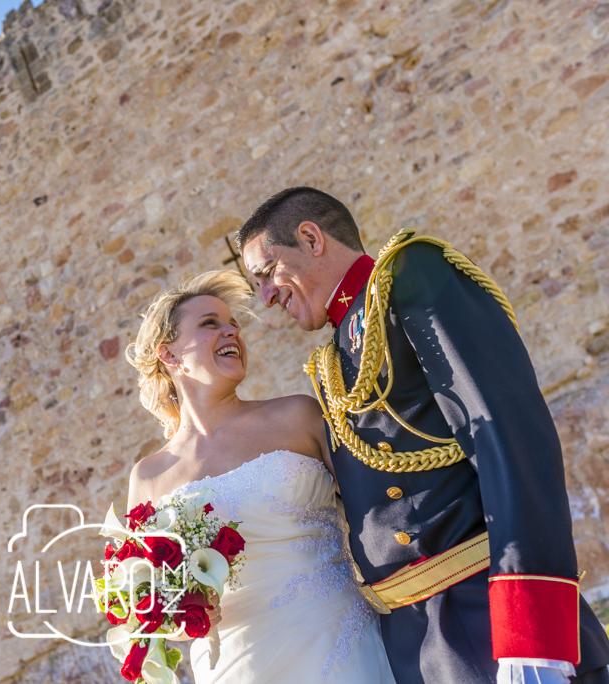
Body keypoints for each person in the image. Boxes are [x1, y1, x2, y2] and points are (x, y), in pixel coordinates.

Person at [237, 186, 609, 684]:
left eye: (266, 273)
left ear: (311, 238)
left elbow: (509, 436)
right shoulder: (335, 355)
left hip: (484, 616)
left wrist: (532, 632)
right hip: (417, 644)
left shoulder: (411, 275)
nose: (266, 296)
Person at [124, 269, 396, 682]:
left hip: (342, 646)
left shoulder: (297, 415)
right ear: (169, 355)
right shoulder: (149, 477)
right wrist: (176, 619)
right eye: (210, 323)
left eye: (234, 324)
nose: (232, 332)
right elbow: (143, 604)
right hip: (233, 665)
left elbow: (381, 509)